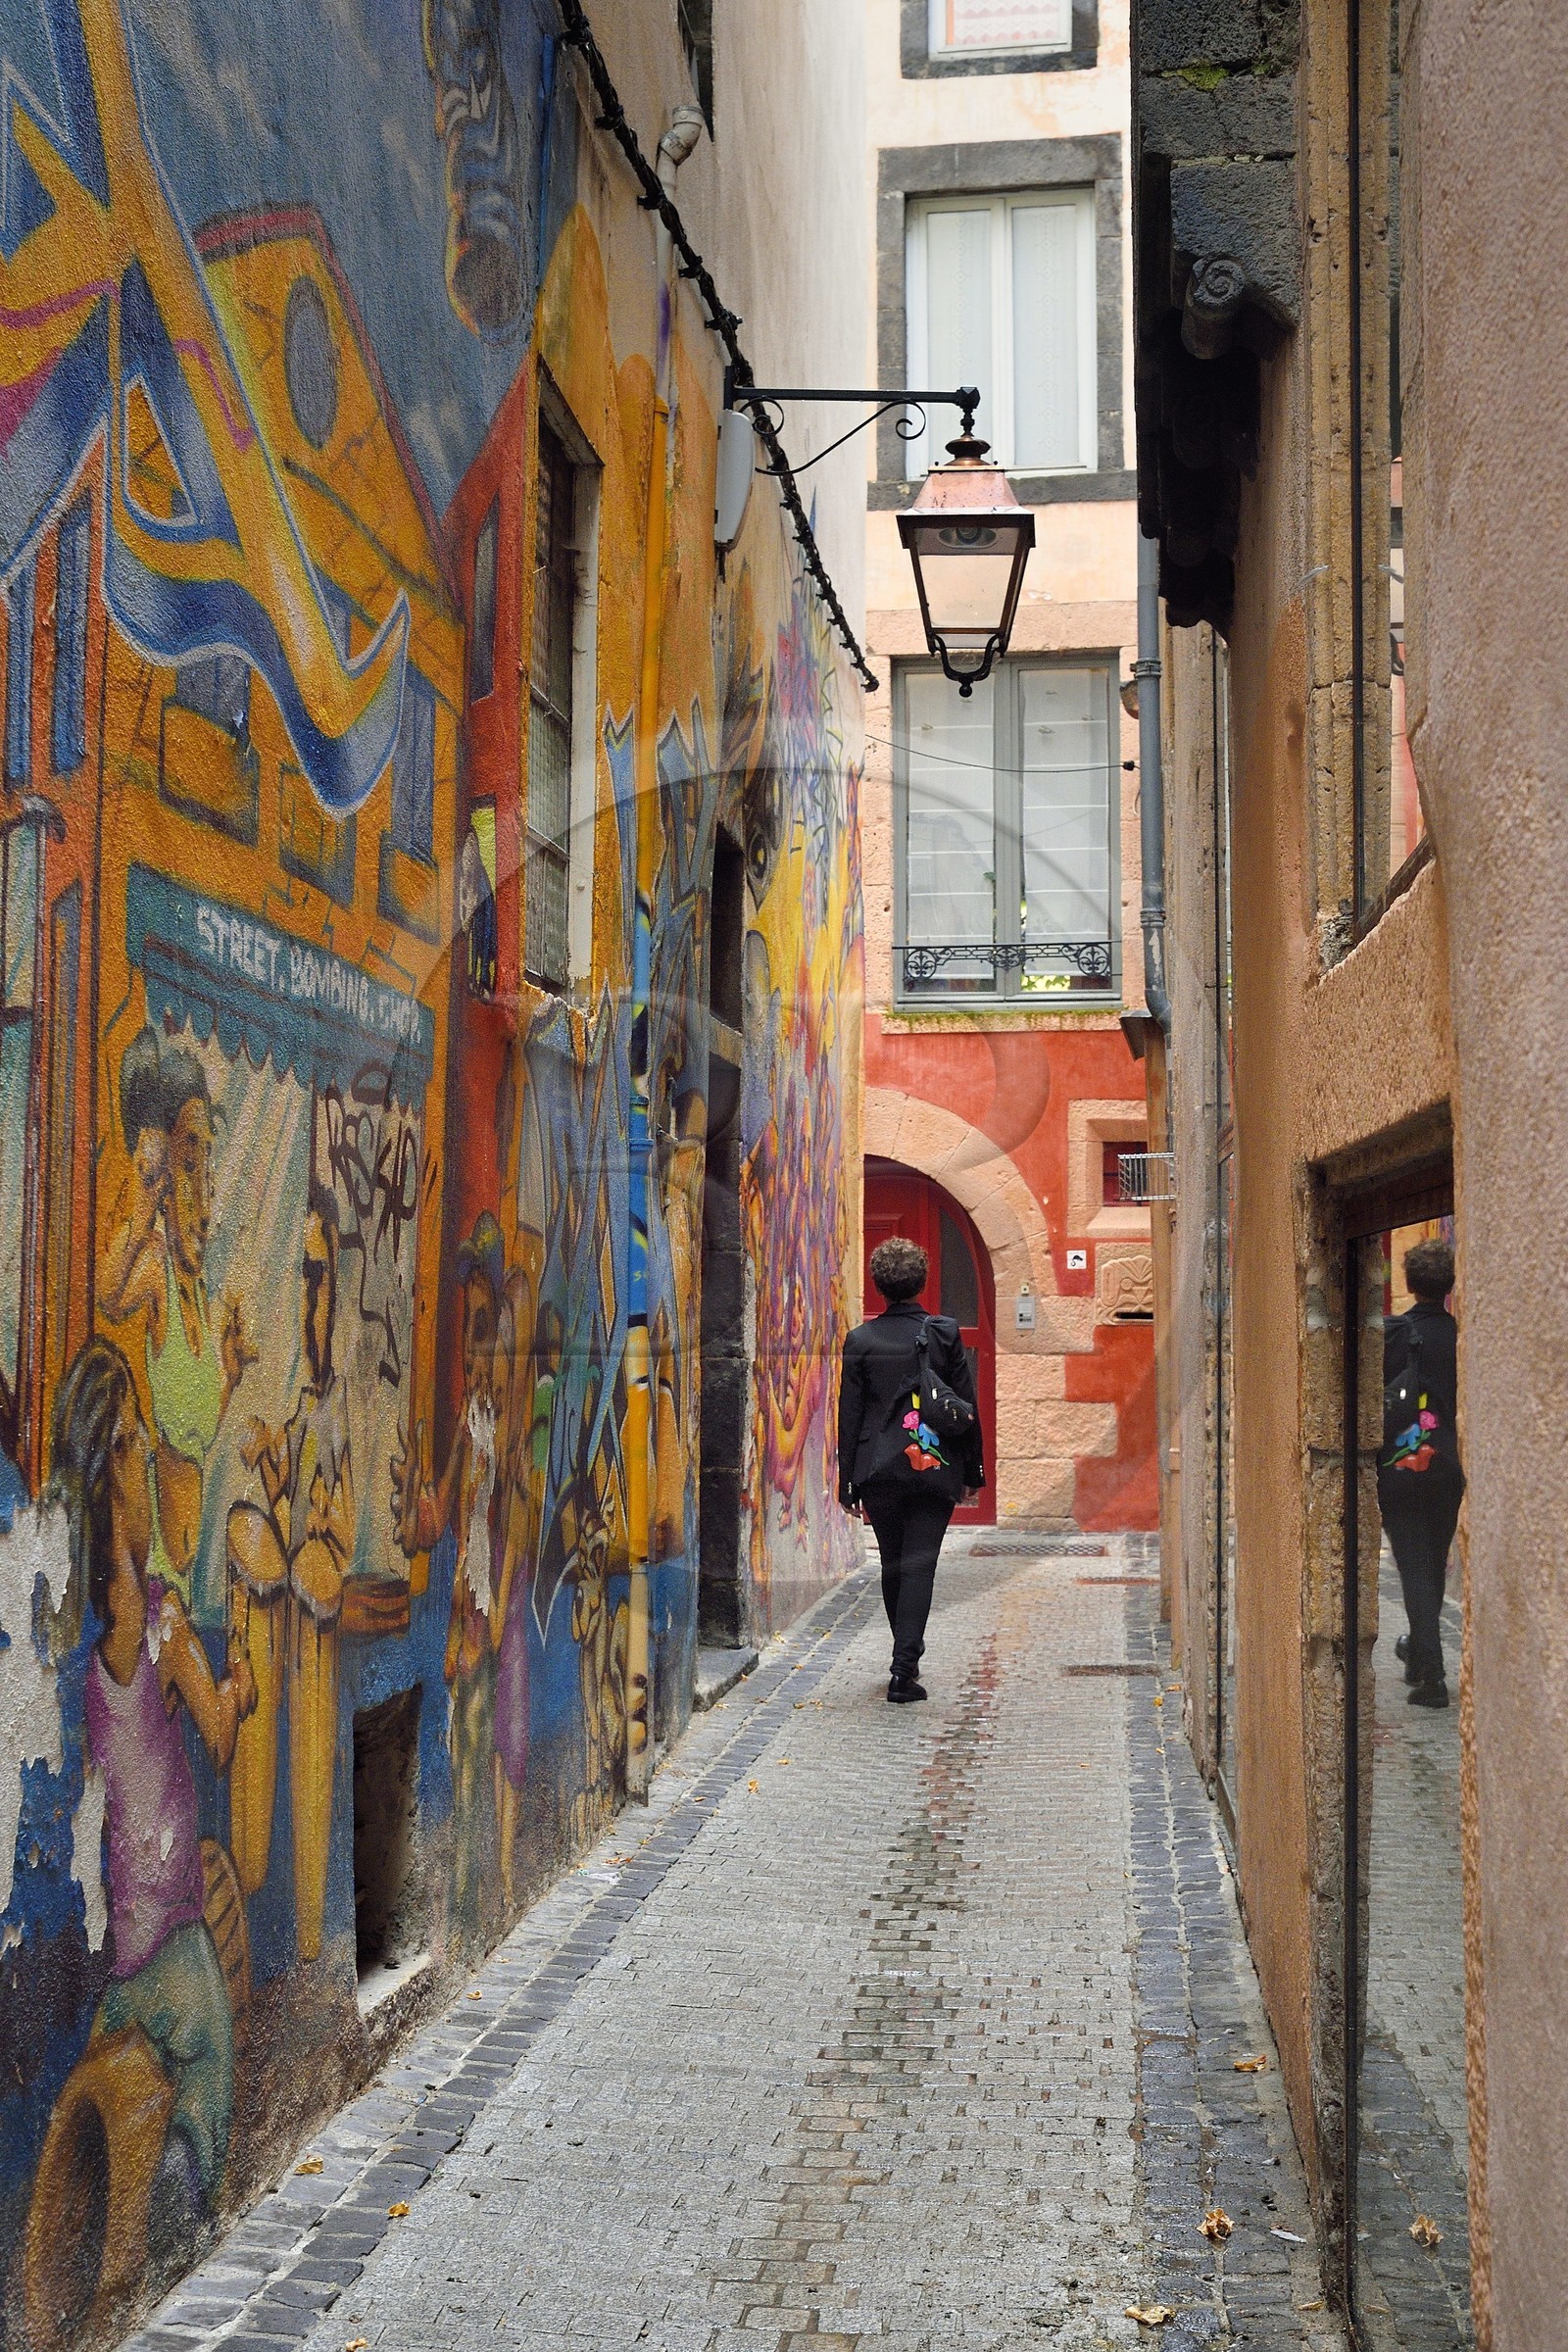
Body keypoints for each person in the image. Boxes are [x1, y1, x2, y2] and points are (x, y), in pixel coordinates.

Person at [51, 1338, 256, 2271]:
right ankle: (180, 2217)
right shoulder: (160, 1617)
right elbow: (216, 1732)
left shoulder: (93, 1629)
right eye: (134, 1447)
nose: (144, 1465)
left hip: (120, 1949)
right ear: (113, 1472)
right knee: (207, 2080)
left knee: (134, 2082)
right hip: (173, 1937)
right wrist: (241, 1684)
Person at [99, 1027, 256, 1612]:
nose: (207, 1193)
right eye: (189, 1166)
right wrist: (143, 1191)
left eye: (207, 1165)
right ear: (167, 1177)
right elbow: (108, 1294)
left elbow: (197, 1421)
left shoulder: (201, 1293)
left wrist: (233, 1372)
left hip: (187, 1580)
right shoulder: (158, 1271)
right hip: (156, 1577)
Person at [837, 1236, 983, 1703]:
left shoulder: (860, 1341)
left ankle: (904, 1658)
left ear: (879, 1286)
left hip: (880, 1471)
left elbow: (850, 1415)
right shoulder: (944, 1333)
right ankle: (904, 1669)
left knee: (894, 1563)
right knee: (920, 1564)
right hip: (934, 1466)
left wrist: (848, 1481)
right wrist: (972, 1473)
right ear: (921, 1282)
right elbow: (965, 1405)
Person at [241, 1185, 355, 1573]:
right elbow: (284, 1501)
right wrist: (262, 1458)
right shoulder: (308, 1406)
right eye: (306, 1278)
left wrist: (323, 1524)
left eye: (320, 1280)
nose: (312, 1306)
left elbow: (339, 1546)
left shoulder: (335, 1416)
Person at [1378, 1236, 1464, 1709]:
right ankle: (1418, 1651)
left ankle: (1431, 1676)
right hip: (1448, 1466)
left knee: (1414, 1568)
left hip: (1402, 1466)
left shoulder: (1395, 1333)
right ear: (1449, 1285)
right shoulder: (1461, 1336)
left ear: (1409, 1283)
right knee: (1431, 1560)